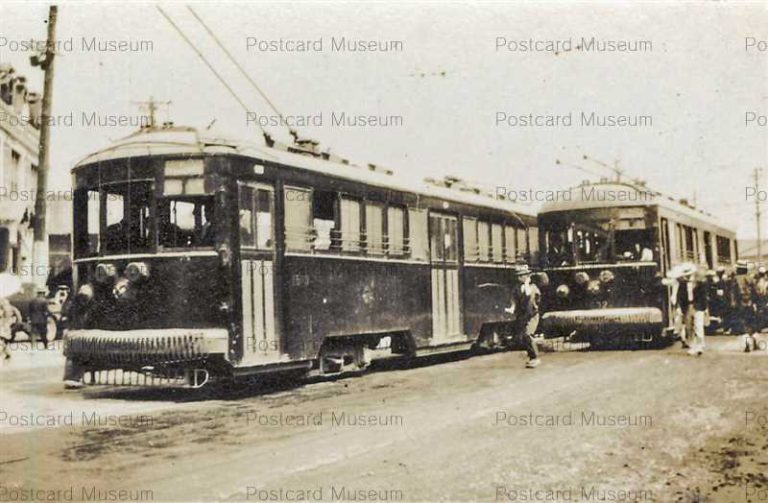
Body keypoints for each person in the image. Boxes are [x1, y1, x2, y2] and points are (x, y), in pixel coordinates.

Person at [505, 266, 542, 368]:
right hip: (522, 316)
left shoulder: (533, 287)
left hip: (532, 315)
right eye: (519, 276)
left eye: (523, 275)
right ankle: (531, 358)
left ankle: (535, 358)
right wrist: (512, 308)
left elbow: (529, 295)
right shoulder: (517, 288)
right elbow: (513, 300)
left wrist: (526, 284)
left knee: (528, 334)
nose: (520, 278)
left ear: (527, 276)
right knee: (524, 337)